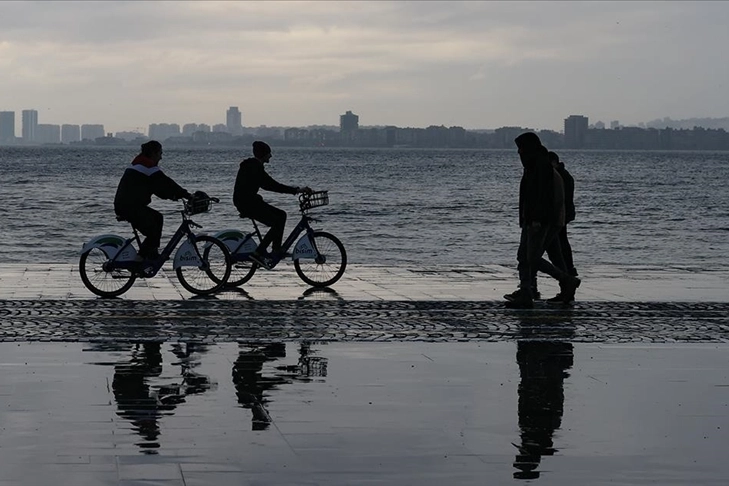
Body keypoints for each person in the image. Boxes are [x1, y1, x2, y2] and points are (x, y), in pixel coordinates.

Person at [504, 132, 580, 308]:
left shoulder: (539, 167)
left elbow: (540, 197)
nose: (519, 153)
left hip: (539, 221)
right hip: (538, 220)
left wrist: (536, 220)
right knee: (528, 256)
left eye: (521, 148)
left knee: (531, 257)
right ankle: (526, 291)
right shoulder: (537, 165)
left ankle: (566, 280)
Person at [233, 141, 311, 267]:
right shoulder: (254, 167)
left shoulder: (253, 165)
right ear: (263, 154)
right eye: (269, 153)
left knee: (281, 215)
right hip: (247, 203)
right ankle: (258, 253)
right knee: (276, 222)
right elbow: (271, 185)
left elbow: (269, 184)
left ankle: (276, 250)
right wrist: (296, 190)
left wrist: (294, 190)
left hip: (249, 201)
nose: (271, 156)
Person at [114, 140, 191, 262]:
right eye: (160, 153)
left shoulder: (139, 163)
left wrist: (174, 195)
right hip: (129, 206)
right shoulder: (147, 167)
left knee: (156, 219)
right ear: (153, 153)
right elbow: (166, 183)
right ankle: (141, 257)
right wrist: (187, 195)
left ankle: (151, 253)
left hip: (127, 205)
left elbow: (159, 188)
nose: (161, 157)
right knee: (154, 225)